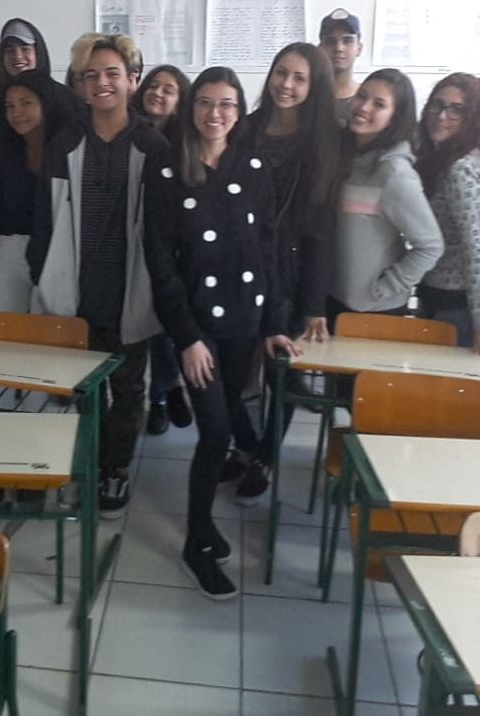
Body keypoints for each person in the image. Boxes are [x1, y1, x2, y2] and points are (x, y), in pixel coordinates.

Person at [145, 66, 298, 600]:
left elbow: (269, 249)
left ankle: (204, 524)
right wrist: (186, 337)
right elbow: (160, 263)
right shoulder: (168, 169)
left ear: (239, 111)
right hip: (197, 326)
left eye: (227, 104)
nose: (216, 113)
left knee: (225, 423)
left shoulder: (253, 167)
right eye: (206, 103)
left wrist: (274, 324)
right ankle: (196, 541)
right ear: (191, 109)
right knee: (213, 433)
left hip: (245, 321)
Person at [28, 34, 171, 518]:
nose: (102, 83)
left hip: (130, 286)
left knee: (128, 388)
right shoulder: (65, 143)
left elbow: (164, 227)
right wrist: (43, 273)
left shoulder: (153, 145)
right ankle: (86, 461)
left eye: (112, 73)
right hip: (77, 288)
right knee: (83, 388)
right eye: (91, 76)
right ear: (80, 85)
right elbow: (45, 218)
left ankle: (116, 468)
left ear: (132, 81)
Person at [224, 42, 342, 503]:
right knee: (227, 372)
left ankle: (266, 456)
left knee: (280, 374)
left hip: (289, 275)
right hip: (236, 267)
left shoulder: (322, 145)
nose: (286, 85)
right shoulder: (245, 128)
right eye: (280, 73)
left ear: (315, 88)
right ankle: (243, 444)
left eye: (299, 78)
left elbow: (322, 230)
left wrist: (314, 304)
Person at [329, 68, 443, 324]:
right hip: (334, 298)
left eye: (379, 104)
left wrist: (386, 287)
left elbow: (431, 246)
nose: (364, 107)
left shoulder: (394, 173)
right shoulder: (343, 156)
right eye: (362, 96)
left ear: (394, 117)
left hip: (374, 310)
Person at [414, 72, 480, 355]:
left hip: (458, 303)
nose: (442, 116)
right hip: (440, 292)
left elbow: (477, 250)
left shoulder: (461, 170)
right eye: (437, 105)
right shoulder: (443, 156)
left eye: (456, 110)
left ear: (471, 119)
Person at [132, 64, 195, 435]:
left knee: (160, 322)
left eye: (168, 90)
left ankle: (160, 397)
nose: (157, 93)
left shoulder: (184, 142)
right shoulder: (127, 129)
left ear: (180, 102)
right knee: (142, 321)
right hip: (128, 239)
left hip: (168, 246)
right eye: (153, 85)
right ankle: (168, 385)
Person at [0, 70, 71, 314]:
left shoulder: (67, 149)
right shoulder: (3, 150)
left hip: (56, 250)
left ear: (46, 103)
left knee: (47, 331)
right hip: (11, 247)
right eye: (10, 106)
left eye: (26, 103)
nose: (17, 112)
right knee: (2, 326)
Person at [319, 9, 365, 126]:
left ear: (359, 48)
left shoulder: (368, 100)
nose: (339, 48)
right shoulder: (308, 96)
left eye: (347, 41)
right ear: (320, 48)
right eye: (330, 41)